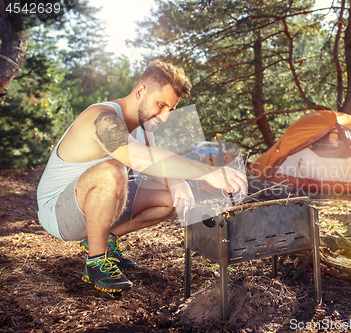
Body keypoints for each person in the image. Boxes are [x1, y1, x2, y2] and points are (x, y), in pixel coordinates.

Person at [37, 61, 247, 294]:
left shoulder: (144, 127)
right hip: (59, 211)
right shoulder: (101, 118)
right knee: (113, 171)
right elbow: (140, 158)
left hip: (95, 201)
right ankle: (96, 262)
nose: (164, 116)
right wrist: (209, 172)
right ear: (140, 92)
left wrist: (179, 185)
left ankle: (107, 239)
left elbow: (154, 168)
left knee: (174, 197)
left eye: (170, 109)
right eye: (160, 105)